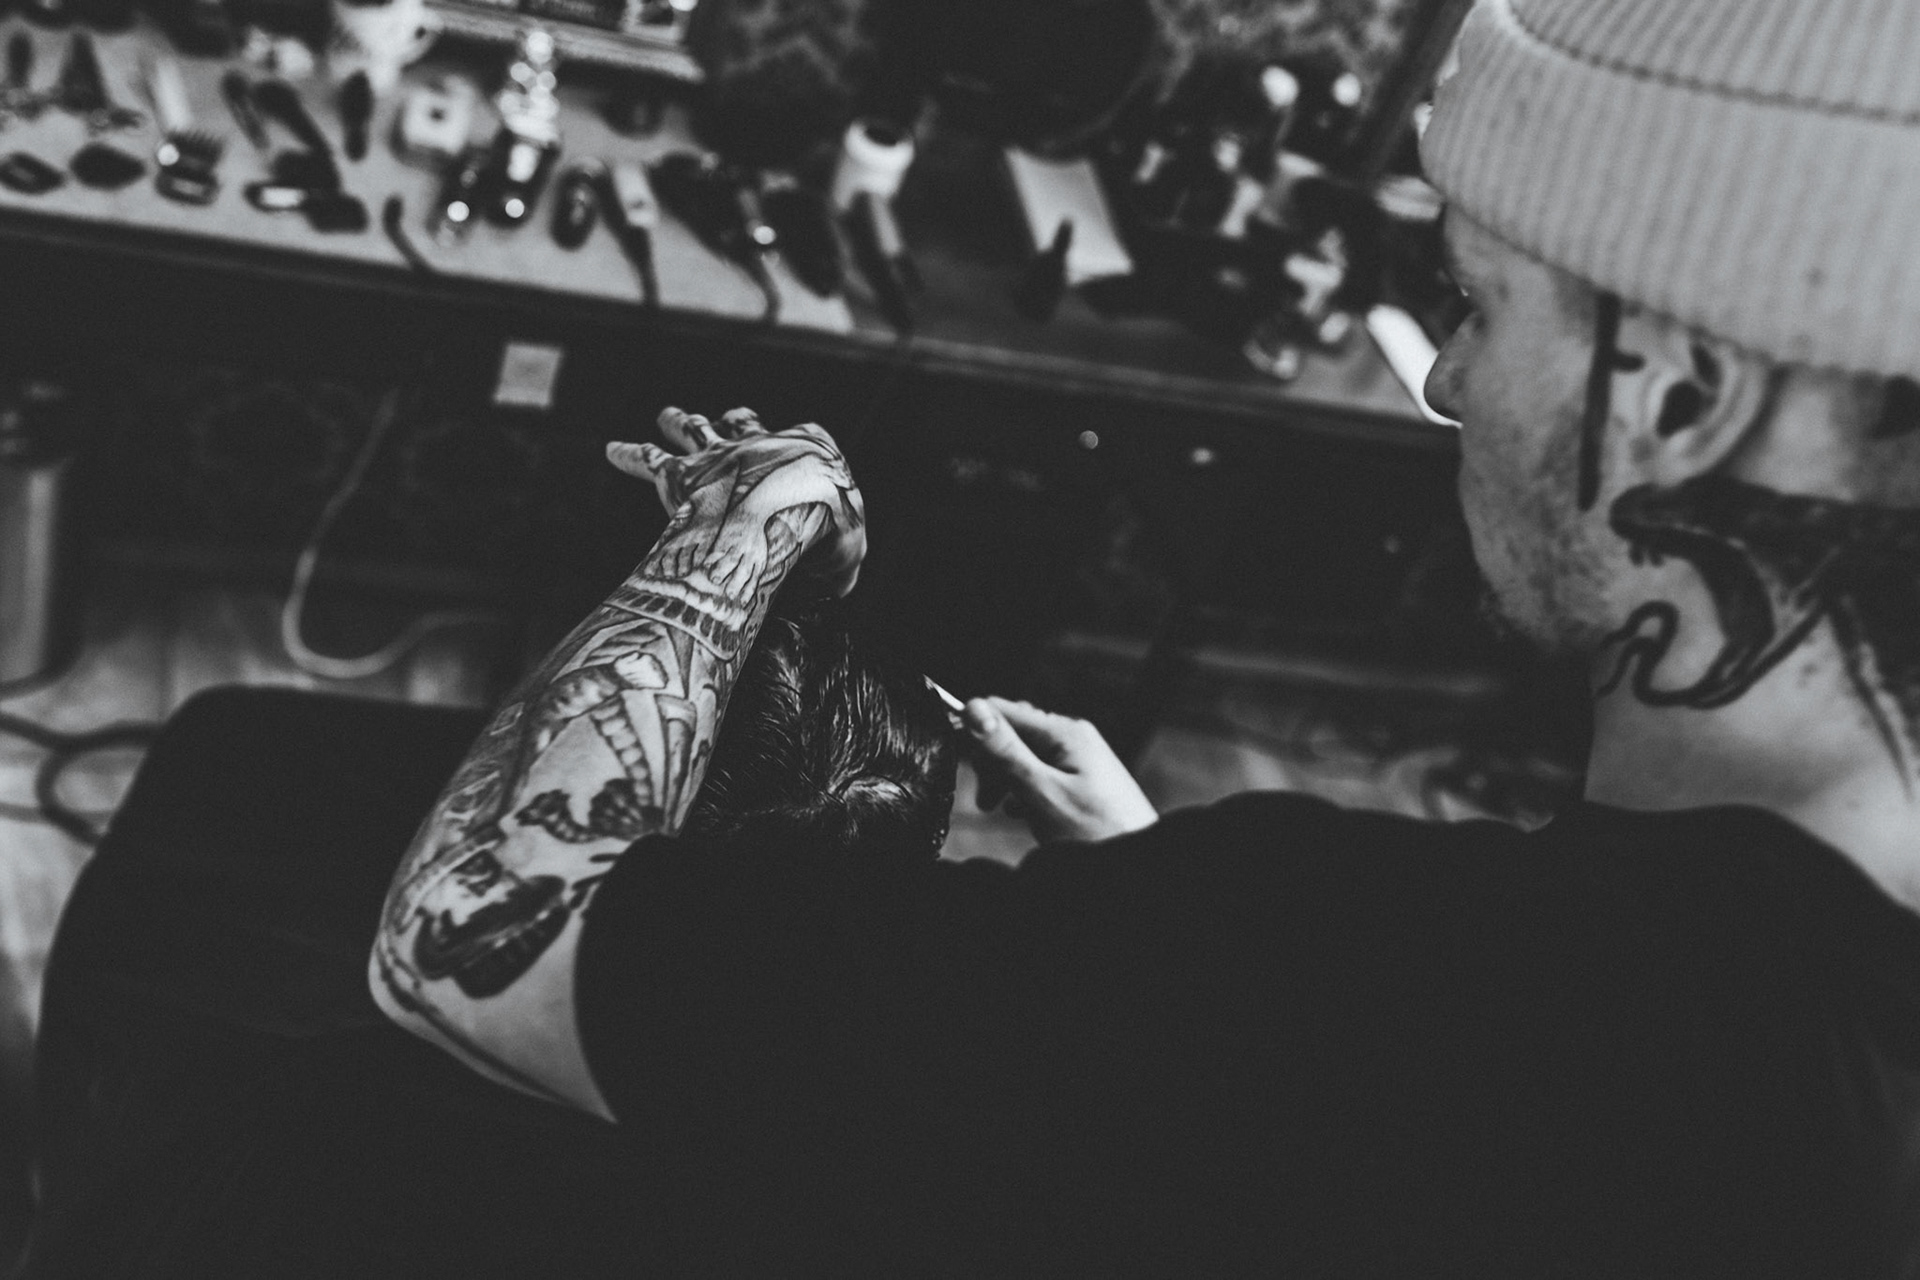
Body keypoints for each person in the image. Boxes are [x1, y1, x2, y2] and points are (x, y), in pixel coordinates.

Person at [372, 0, 1920, 1273]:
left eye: (1478, 304)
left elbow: (471, 937)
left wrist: (745, 517)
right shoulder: (1732, 1010)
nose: (1447, 378)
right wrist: (1154, 903)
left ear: (1681, 396)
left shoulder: (1395, 982)